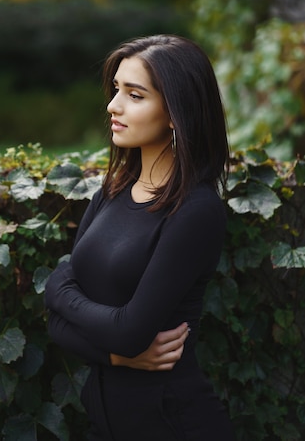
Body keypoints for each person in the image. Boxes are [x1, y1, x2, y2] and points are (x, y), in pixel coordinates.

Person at [45, 34, 236, 440]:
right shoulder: (112, 190)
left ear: (175, 112)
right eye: (116, 90)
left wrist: (62, 292)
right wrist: (116, 355)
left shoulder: (195, 211)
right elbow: (56, 322)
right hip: (106, 424)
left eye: (135, 95)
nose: (113, 106)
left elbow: (129, 332)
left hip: (171, 423)